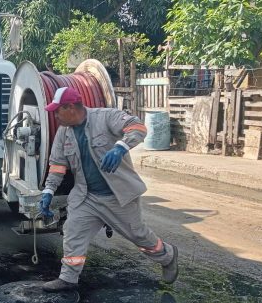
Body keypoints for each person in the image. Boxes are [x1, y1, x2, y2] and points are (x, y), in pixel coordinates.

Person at [39, 86, 179, 292]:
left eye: (57, 110)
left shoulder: (105, 117)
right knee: (72, 231)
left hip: (117, 196)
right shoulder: (64, 133)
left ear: (70, 107)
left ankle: (167, 255)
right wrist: (48, 192)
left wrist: (120, 147)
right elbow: (58, 165)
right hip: (87, 197)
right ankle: (68, 278)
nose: (55, 115)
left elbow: (138, 127)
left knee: (138, 236)